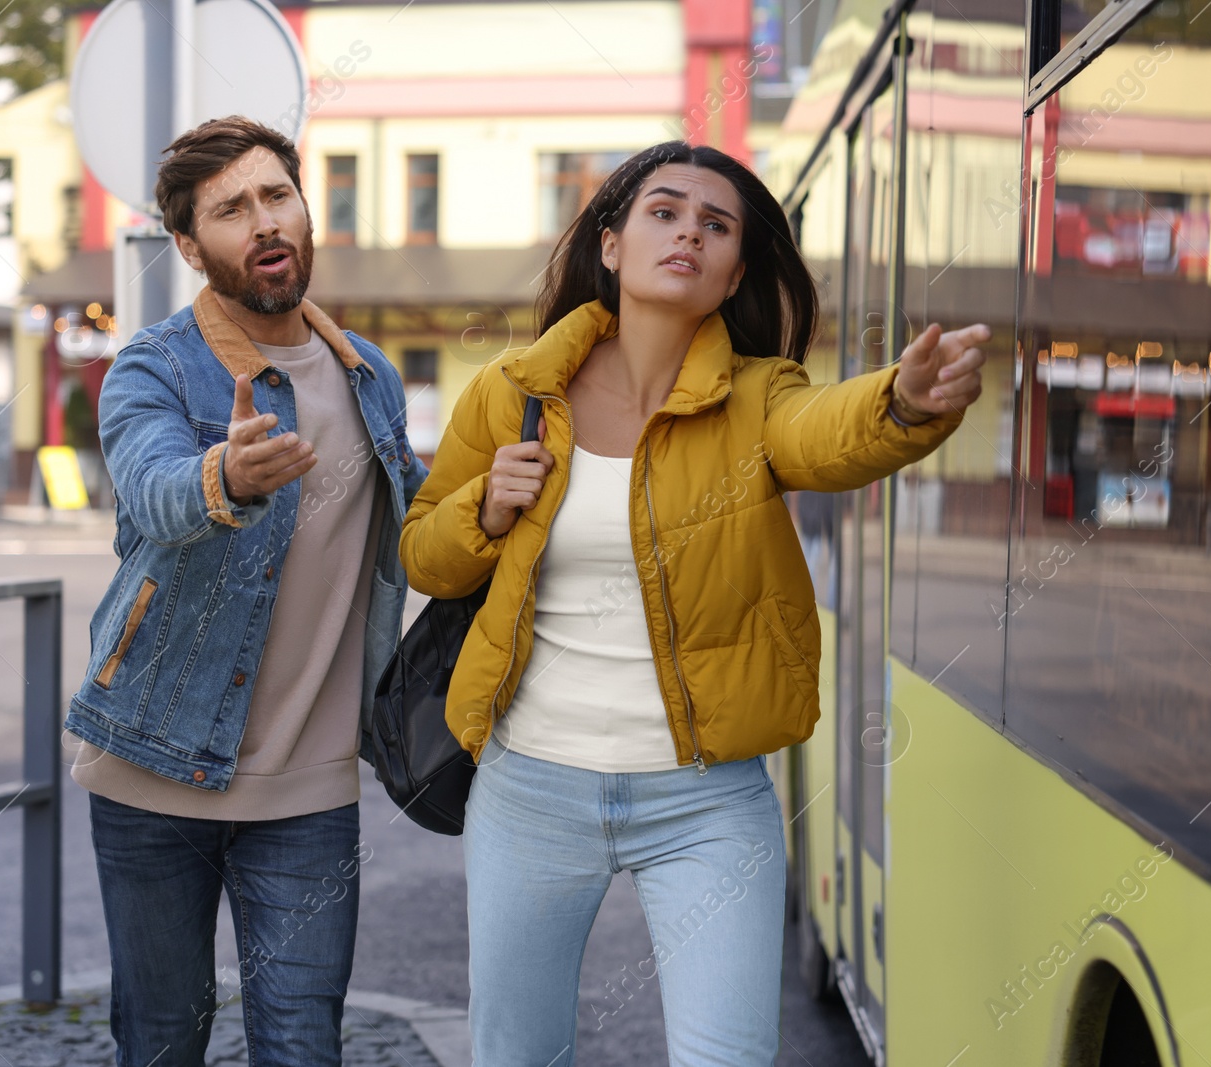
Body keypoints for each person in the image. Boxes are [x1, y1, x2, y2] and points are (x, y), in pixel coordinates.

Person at [400, 139, 988, 1066]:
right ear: (611, 244)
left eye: (717, 226)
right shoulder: (512, 395)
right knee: (517, 1052)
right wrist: (484, 506)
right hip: (531, 790)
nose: (689, 234)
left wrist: (903, 404)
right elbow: (424, 557)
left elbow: (825, 436)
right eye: (664, 212)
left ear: (733, 274)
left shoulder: (759, 397)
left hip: (707, 800)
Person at [62, 116, 428, 1067]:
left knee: (305, 1043)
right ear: (188, 244)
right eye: (231, 210)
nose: (265, 222)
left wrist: (502, 504)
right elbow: (154, 489)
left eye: (278, 196)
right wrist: (225, 479)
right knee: (160, 1037)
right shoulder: (155, 365)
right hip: (154, 766)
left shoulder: (368, 375)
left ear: (306, 209)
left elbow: (422, 535)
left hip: (308, 791)